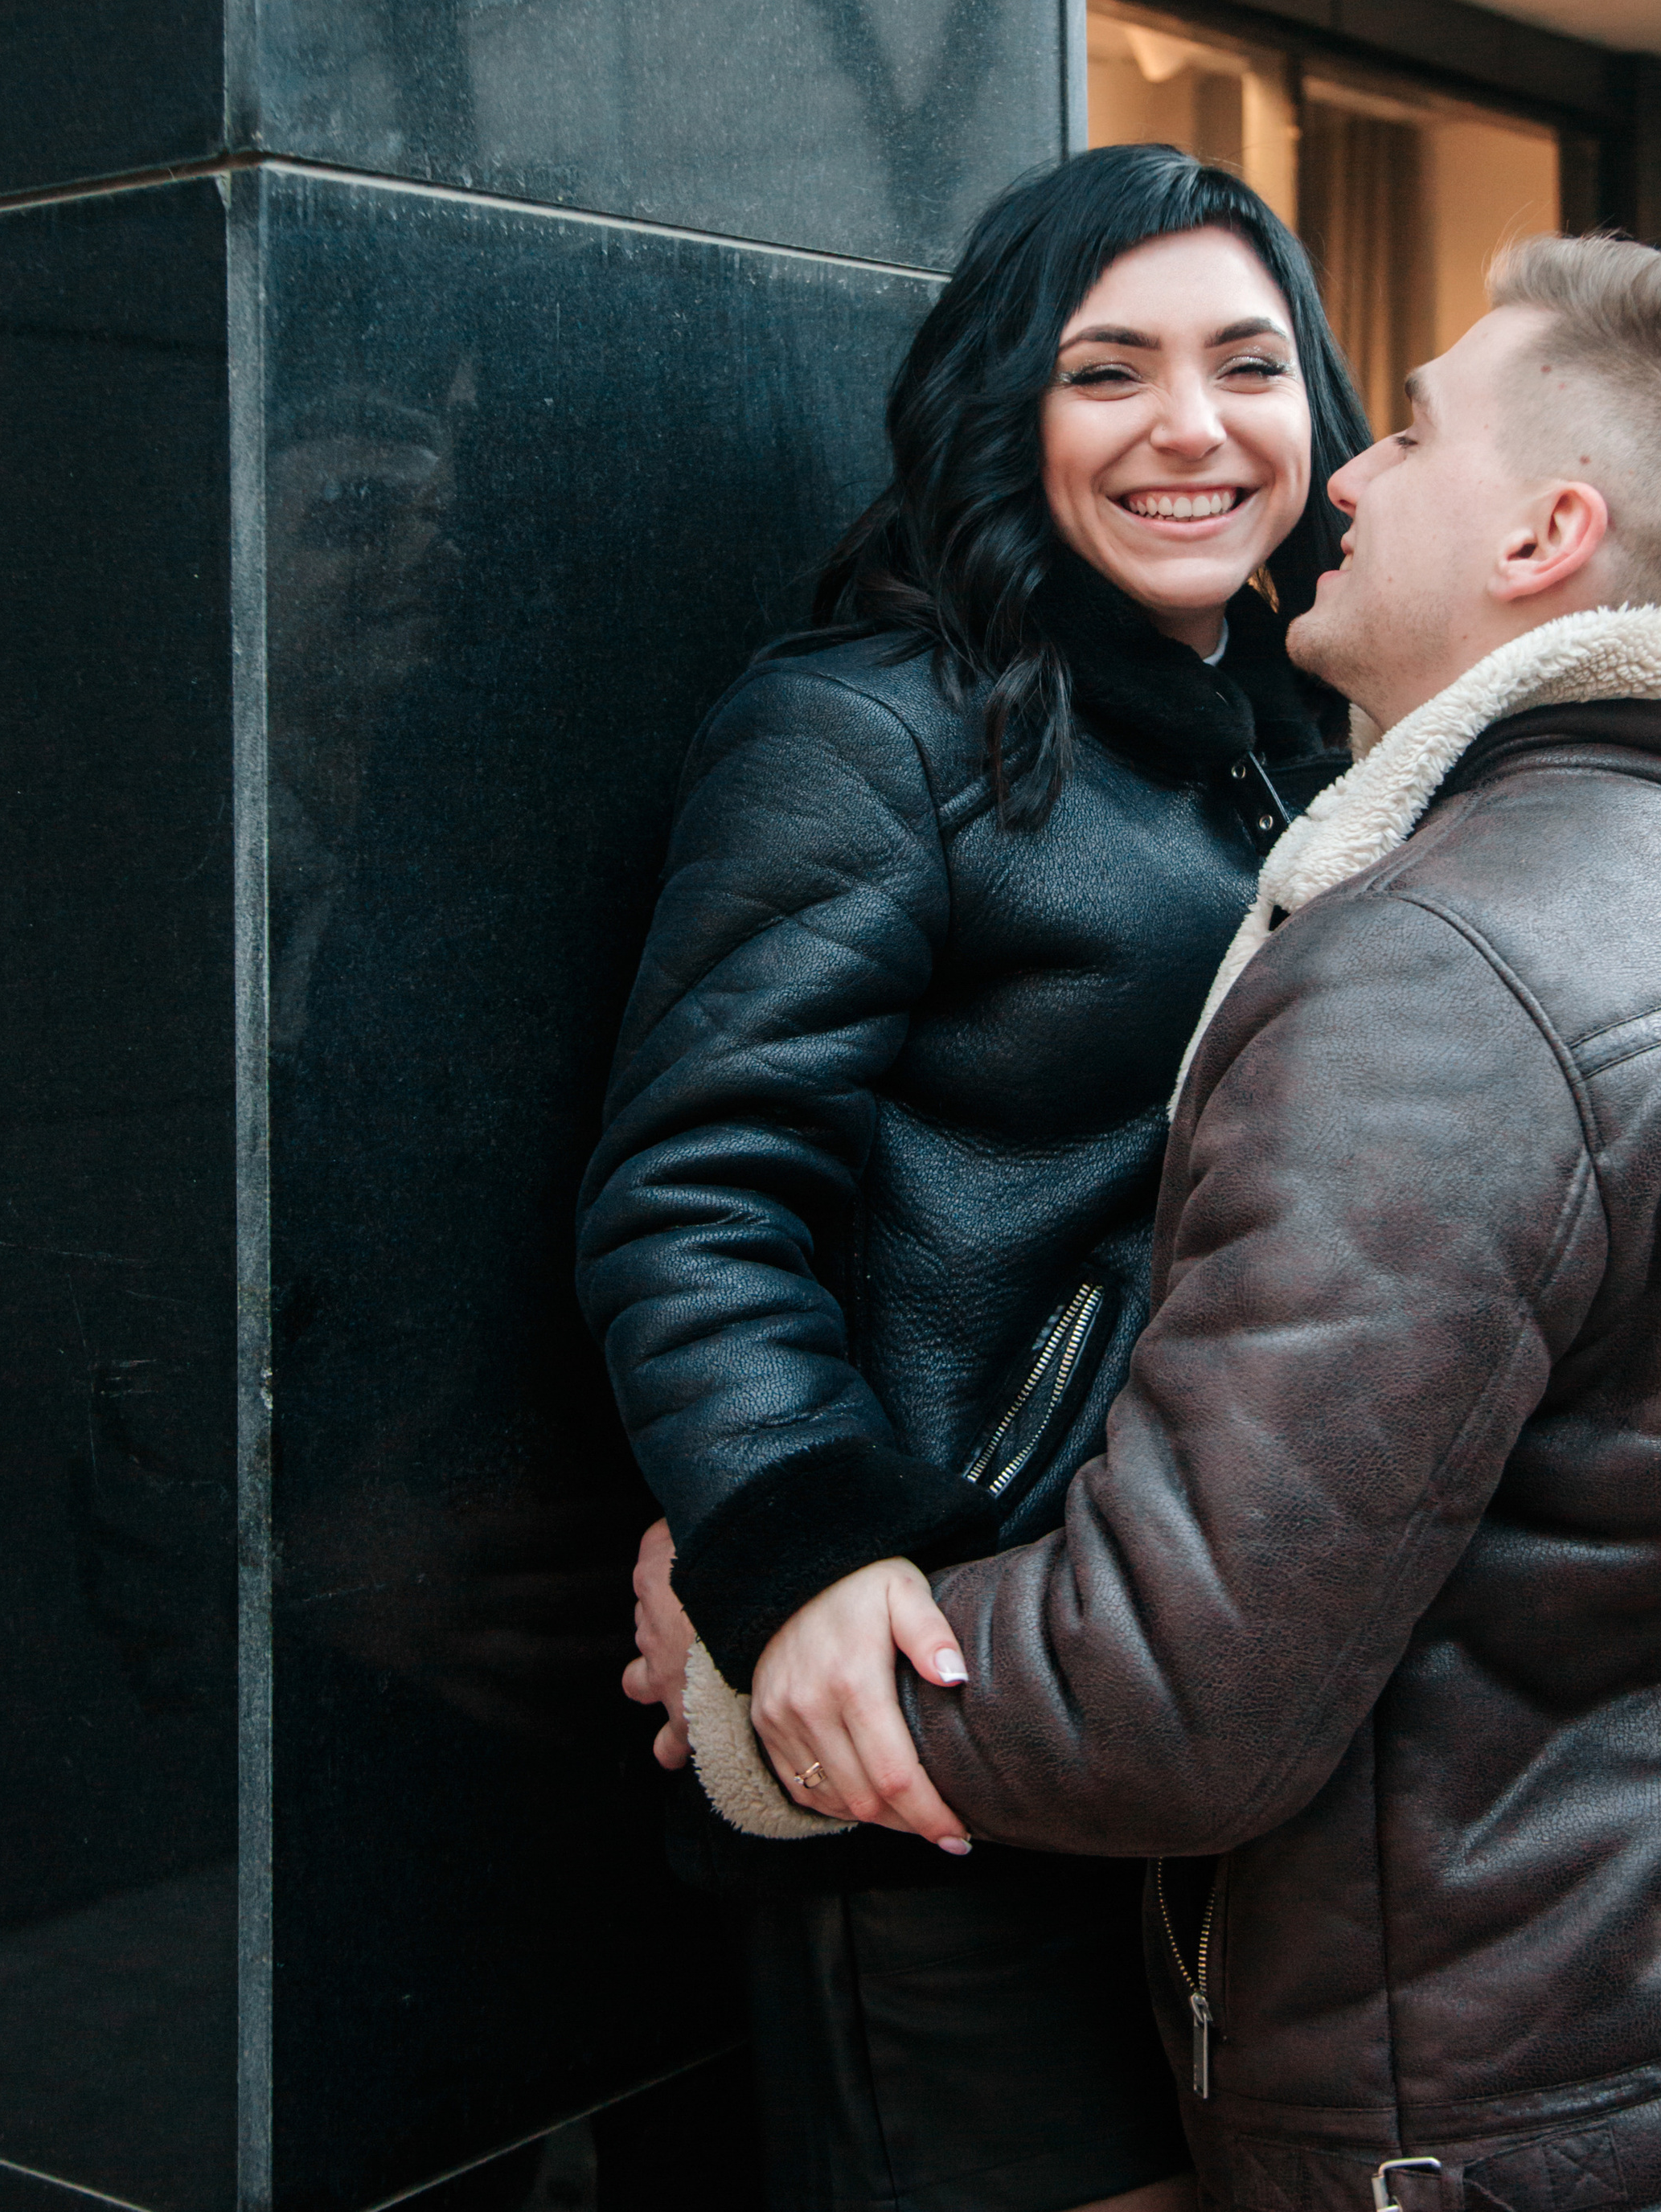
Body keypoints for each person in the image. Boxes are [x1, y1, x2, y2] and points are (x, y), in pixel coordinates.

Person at [680, 232, 1661, 2212]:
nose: (1342, 465)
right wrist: (794, 1509)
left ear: (1545, 533)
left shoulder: (1437, 959)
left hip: (1522, 2114)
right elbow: (711, 1181)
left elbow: (1173, 1694)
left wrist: (753, 1664)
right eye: (1106, 369)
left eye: (1407, 424)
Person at [575, 145, 1368, 2212]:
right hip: (941, 1714)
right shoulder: (865, 729)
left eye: (1245, 365)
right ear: (1005, 410)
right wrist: (802, 1551)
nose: (1190, 429)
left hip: (1196, 1697)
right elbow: (695, 1189)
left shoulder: (1315, 733)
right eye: (1107, 371)